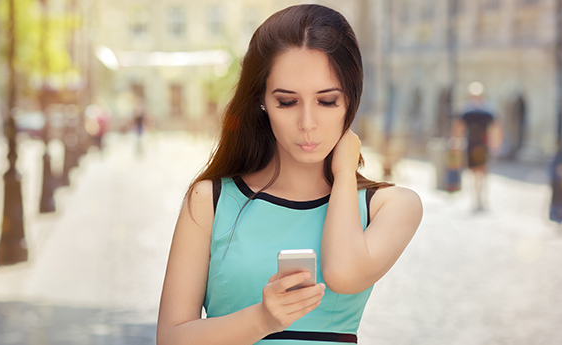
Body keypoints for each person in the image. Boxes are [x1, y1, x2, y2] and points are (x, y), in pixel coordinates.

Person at [157, 5, 423, 345]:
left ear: (350, 101)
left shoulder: (391, 205)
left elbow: (343, 273)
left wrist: (344, 174)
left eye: (327, 101)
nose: (307, 123)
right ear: (262, 101)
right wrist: (263, 319)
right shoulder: (210, 200)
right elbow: (170, 338)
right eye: (287, 102)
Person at [452, 81, 501, 212]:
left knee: (478, 174)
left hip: (476, 145)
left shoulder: (468, 110)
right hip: (479, 146)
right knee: (480, 174)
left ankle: (479, 199)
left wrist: (456, 142)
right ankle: (479, 199)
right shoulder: (486, 110)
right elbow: (495, 129)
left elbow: (459, 128)